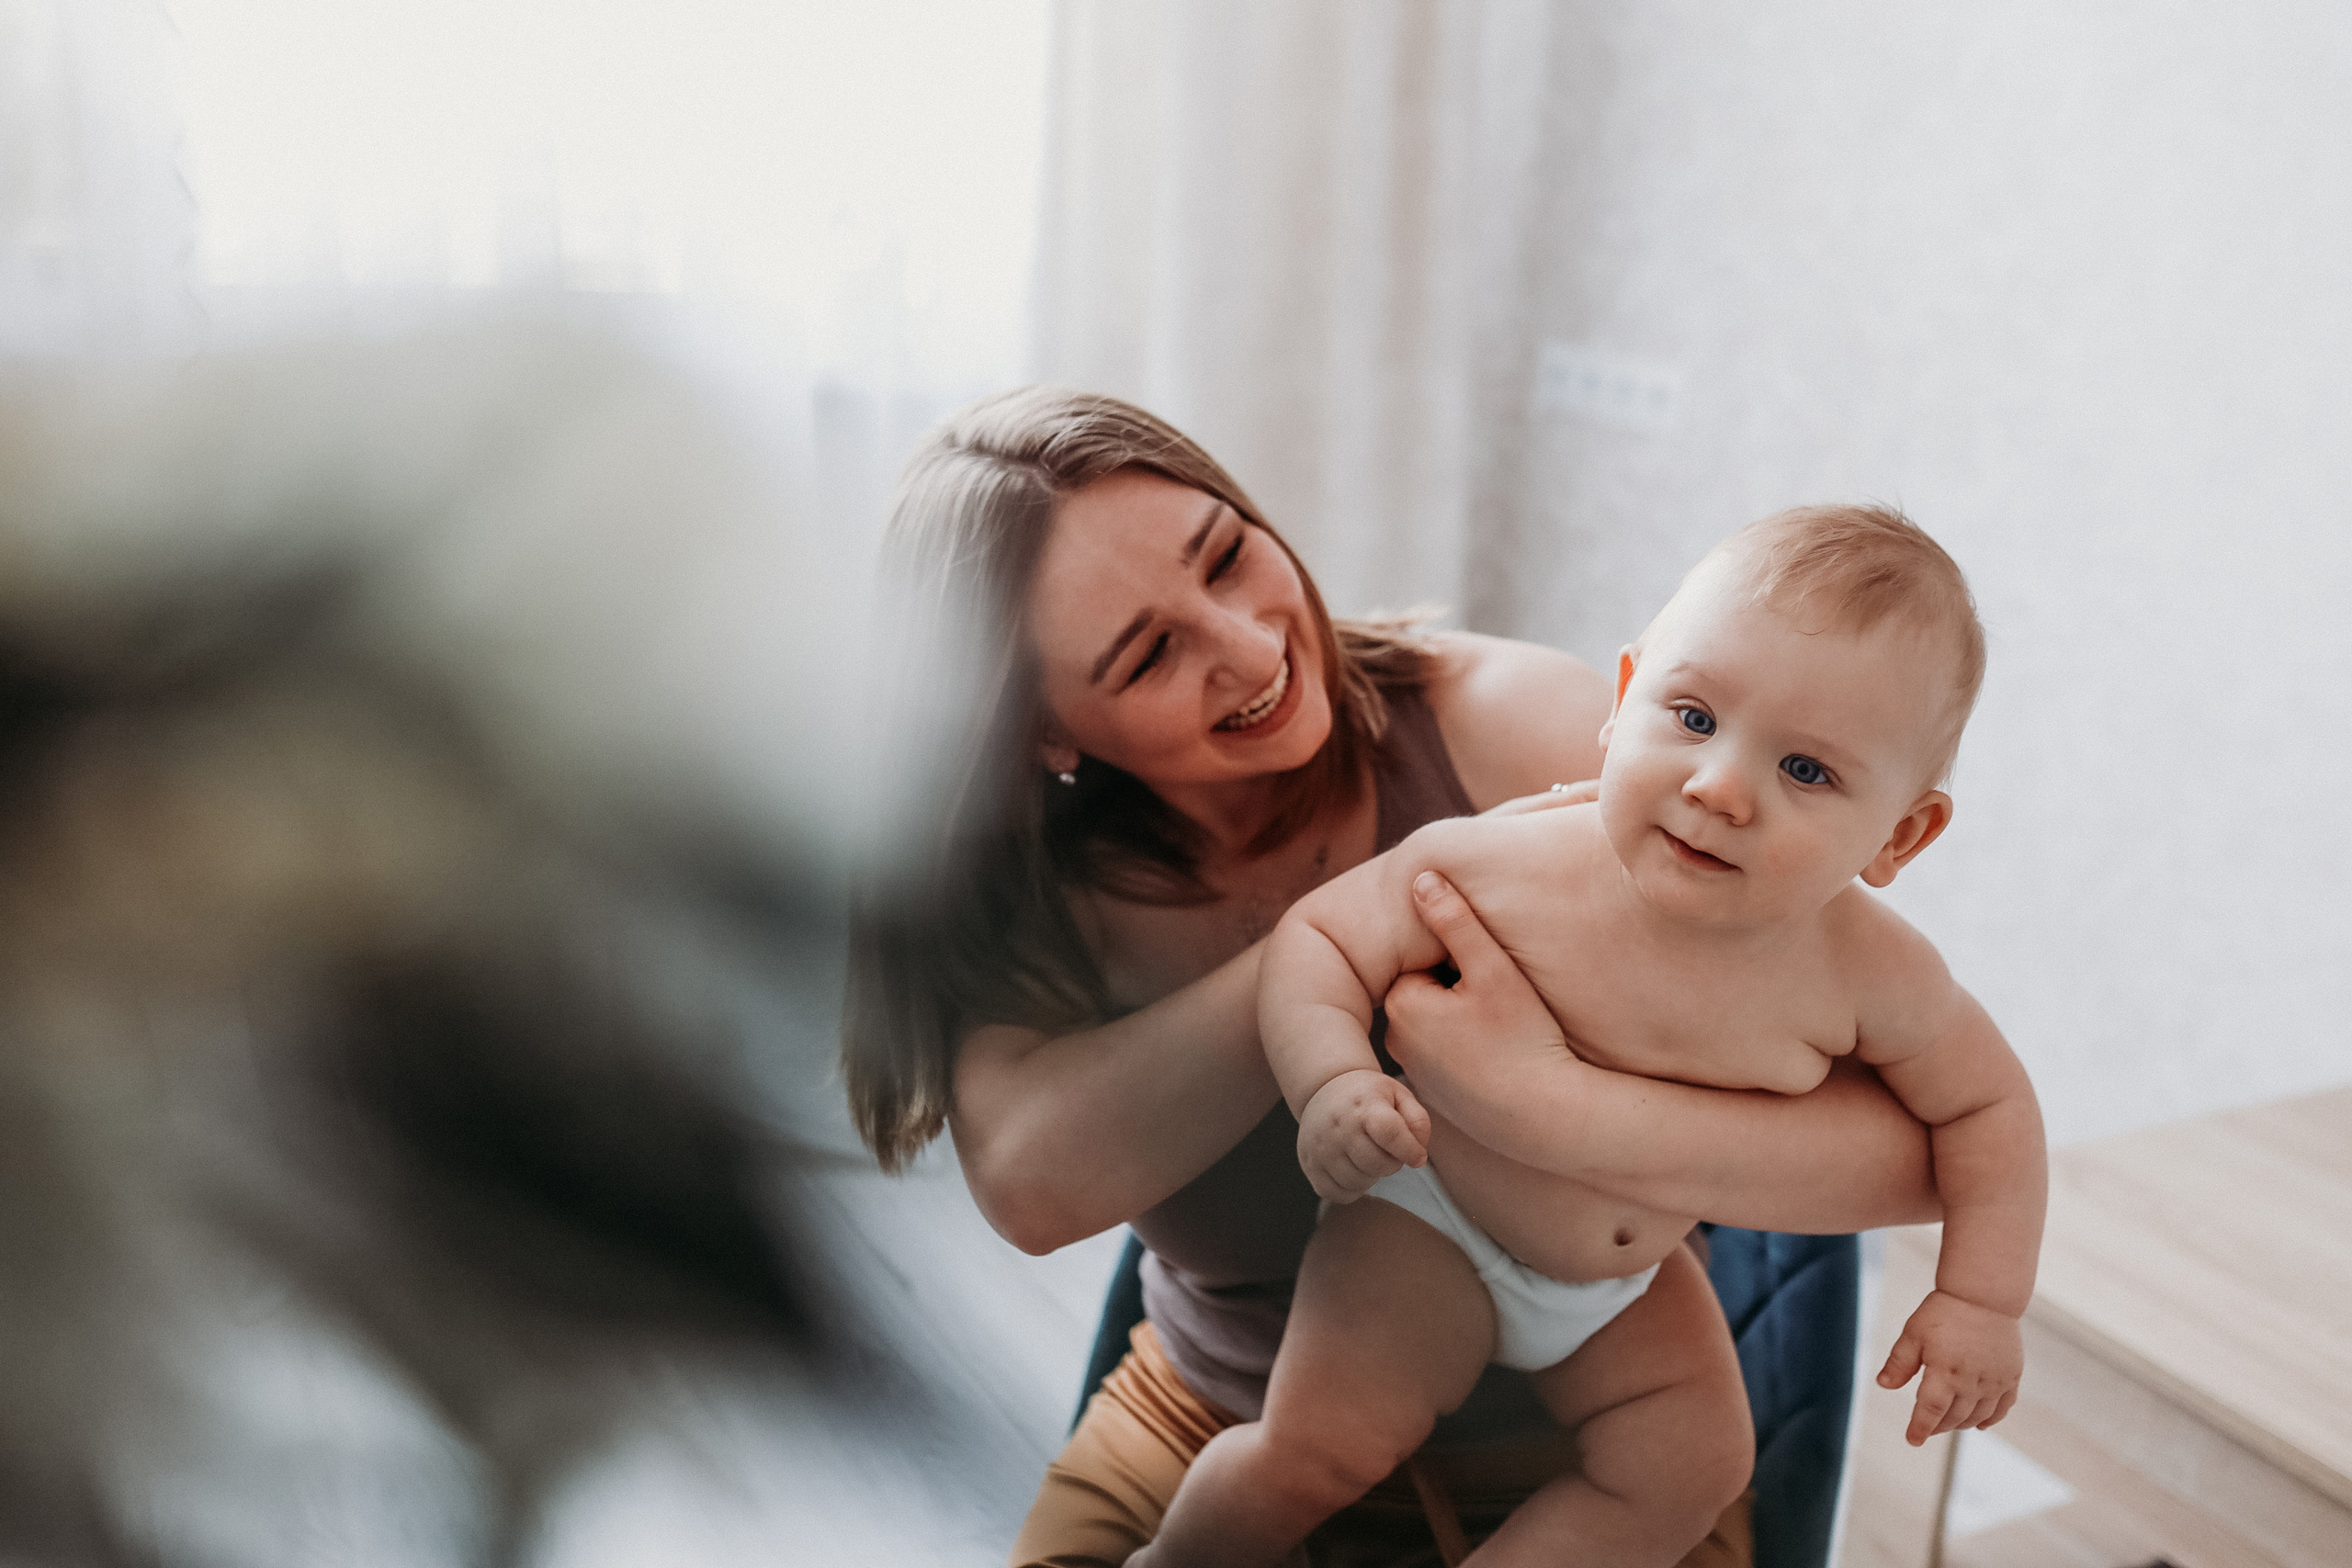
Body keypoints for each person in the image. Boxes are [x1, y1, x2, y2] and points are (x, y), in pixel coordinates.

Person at [842, 390, 1947, 1568]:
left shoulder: (1525, 729)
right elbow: (1031, 1189)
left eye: (1227, 556)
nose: (1250, 646)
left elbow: (1916, 1153)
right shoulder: (1035, 892)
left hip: (1583, 1466)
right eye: (1150, 653)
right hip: (1214, 1429)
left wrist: (1549, 1110)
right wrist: (1351, 931)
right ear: (1041, 735)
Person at [1134, 505, 2047, 1568]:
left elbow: (1988, 1106)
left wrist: (1980, 1300)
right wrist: (1332, 1077)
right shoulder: (1514, 864)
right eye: (1693, 717)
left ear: (1900, 834)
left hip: (1626, 1289)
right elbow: (1322, 941)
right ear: (1622, 703)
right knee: (1316, 1452)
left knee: (1691, 1469)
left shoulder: (1872, 974)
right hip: (1429, 1233)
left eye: (1806, 772)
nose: (1719, 788)